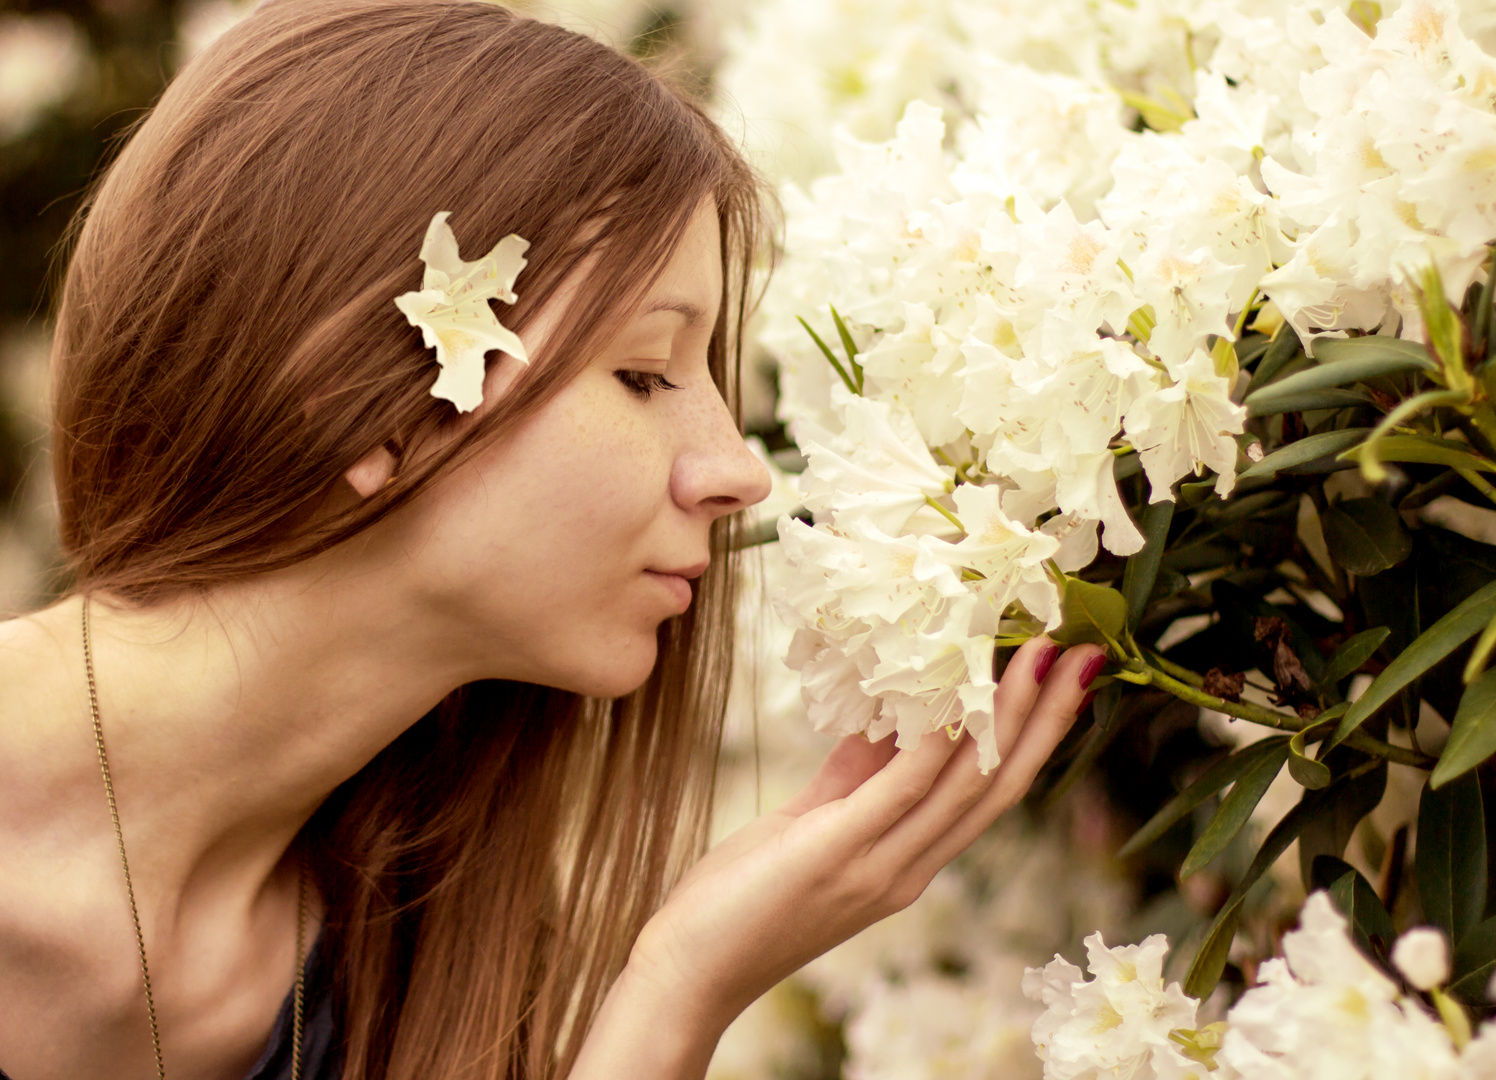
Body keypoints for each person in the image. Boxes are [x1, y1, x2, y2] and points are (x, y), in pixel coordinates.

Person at [0, 2, 1104, 1078]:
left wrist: (681, 987)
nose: (739, 472)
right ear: (360, 397)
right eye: (642, 374)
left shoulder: (414, 948)